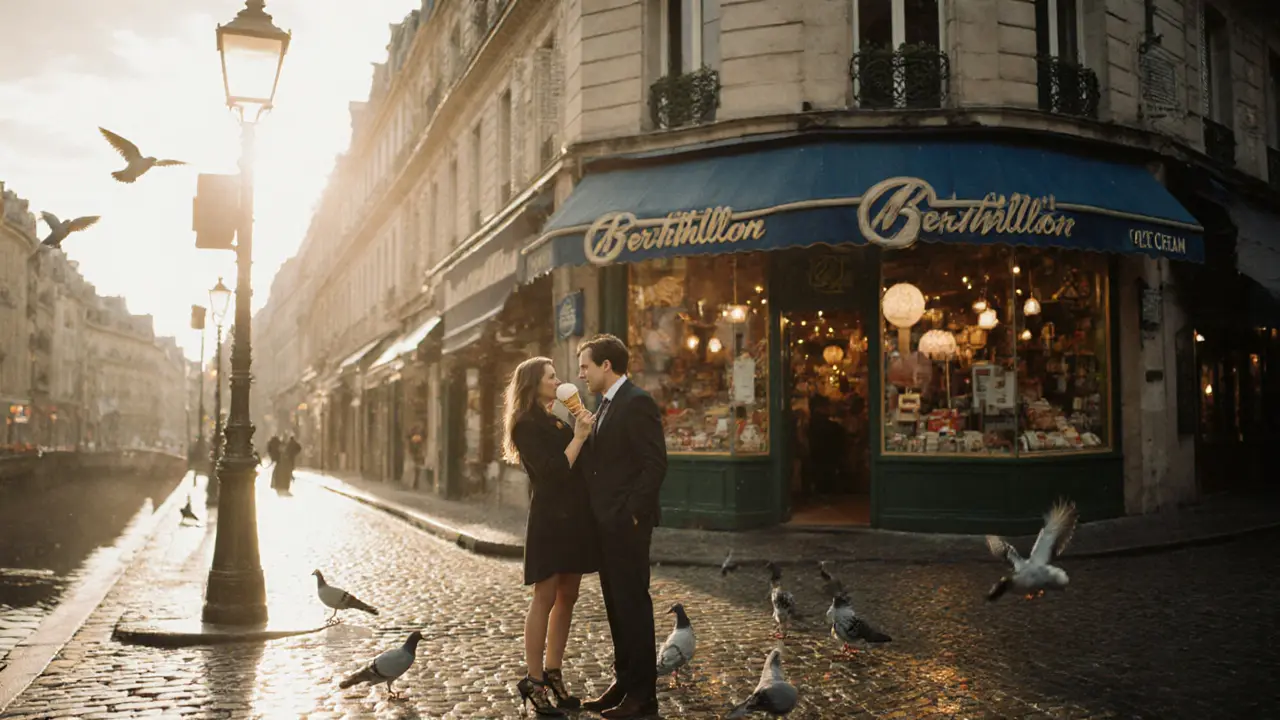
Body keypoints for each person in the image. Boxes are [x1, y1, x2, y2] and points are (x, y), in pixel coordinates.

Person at [576, 334, 668, 719]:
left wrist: (631, 512)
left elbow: (655, 463)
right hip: (606, 525)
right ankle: (624, 681)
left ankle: (643, 696)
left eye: (585, 366)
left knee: (633, 607)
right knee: (616, 607)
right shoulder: (604, 405)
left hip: (626, 525)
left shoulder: (636, 402)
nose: (581, 374)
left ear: (606, 366)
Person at [503, 356, 600, 716]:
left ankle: (553, 671)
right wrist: (577, 436)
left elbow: (581, 460)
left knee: (568, 596)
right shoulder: (525, 425)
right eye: (551, 376)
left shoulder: (554, 419)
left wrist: (584, 427)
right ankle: (533, 680)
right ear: (534, 383)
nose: (558, 380)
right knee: (544, 596)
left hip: (574, 517)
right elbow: (553, 472)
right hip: (550, 519)